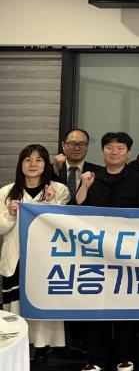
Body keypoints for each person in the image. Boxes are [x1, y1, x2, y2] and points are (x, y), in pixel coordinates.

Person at [73, 132, 139, 371]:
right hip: (94, 255)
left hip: (128, 255)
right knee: (95, 305)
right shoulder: (92, 178)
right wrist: (84, 186)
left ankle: (124, 357)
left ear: (128, 152)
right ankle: (96, 359)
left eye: (120, 148)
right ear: (102, 151)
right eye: (109, 147)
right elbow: (75, 211)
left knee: (125, 305)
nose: (114, 152)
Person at [0, 145, 70, 356]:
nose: (33, 164)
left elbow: (64, 224)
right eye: (28, 160)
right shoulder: (6, 192)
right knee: (16, 304)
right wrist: (10, 214)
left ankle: (42, 348)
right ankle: (18, 348)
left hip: (46, 259)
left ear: (46, 165)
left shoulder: (59, 190)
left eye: (39, 160)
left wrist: (51, 202)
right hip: (16, 258)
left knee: (42, 301)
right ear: (20, 164)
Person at [53, 128, 102, 196]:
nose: (77, 148)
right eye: (72, 144)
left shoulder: (98, 172)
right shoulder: (52, 170)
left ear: (87, 146)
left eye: (82, 144)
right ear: (63, 145)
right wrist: (55, 169)